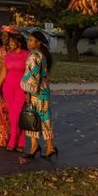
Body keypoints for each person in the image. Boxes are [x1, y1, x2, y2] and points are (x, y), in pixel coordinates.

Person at [21, 30, 58, 160]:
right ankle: (46, 147)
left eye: (31, 40)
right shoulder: (41, 55)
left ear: (38, 43)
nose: (28, 42)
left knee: (34, 119)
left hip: (36, 92)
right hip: (43, 91)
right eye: (28, 39)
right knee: (42, 120)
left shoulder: (34, 56)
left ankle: (40, 147)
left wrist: (28, 92)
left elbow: (32, 77)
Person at [0, 33, 29, 152]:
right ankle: (20, 142)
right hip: (8, 87)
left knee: (18, 113)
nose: (9, 44)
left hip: (21, 87)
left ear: (19, 43)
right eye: (9, 42)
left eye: (11, 42)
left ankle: (14, 140)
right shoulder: (8, 55)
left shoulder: (27, 55)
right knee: (12, 114)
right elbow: (4, 72)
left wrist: (28, 92)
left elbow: (29, 74)